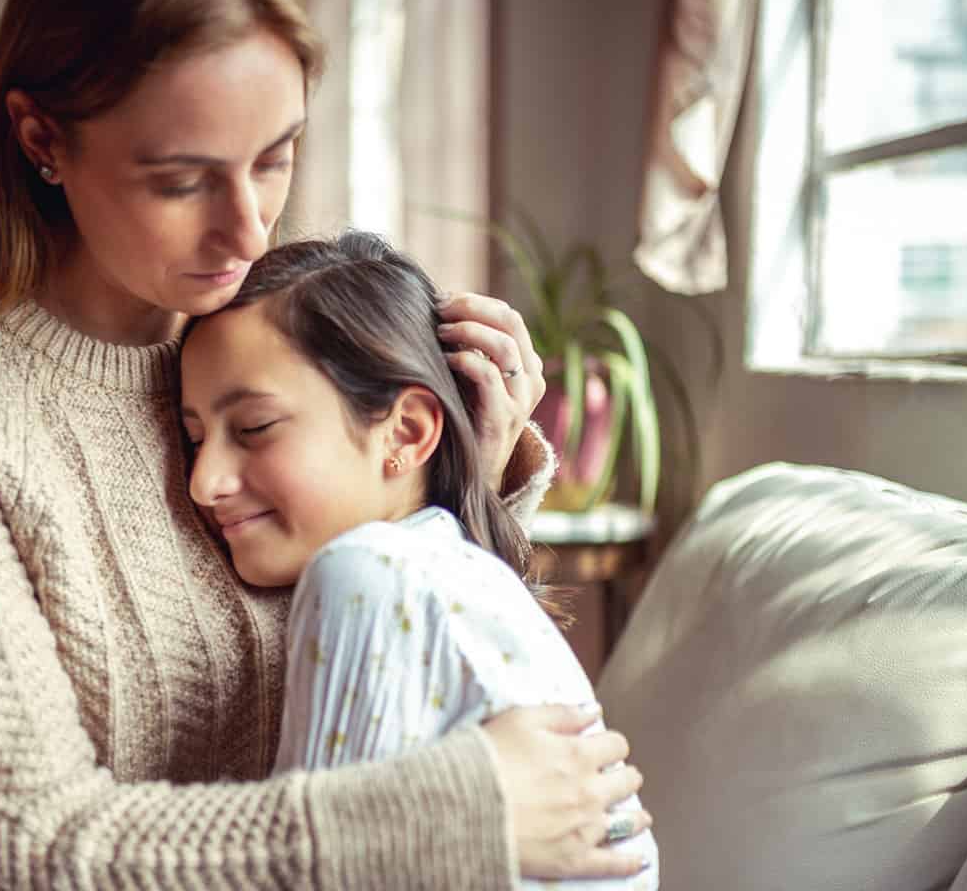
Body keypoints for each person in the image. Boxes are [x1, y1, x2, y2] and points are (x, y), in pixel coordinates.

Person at [0, 0, 651, 888]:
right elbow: (15, 842)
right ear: (42, 138)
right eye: (181, 179)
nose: (249, 228)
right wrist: (462, 811)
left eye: (275, 157)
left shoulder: (272, 338)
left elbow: (375, 687)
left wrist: (461, 487)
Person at [178, 231, 658, 891]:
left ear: (406, 431)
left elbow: (320, 869)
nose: (203, 483)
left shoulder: (364, 570)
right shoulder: (458, 569)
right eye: (194, 438)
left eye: (254, 428)